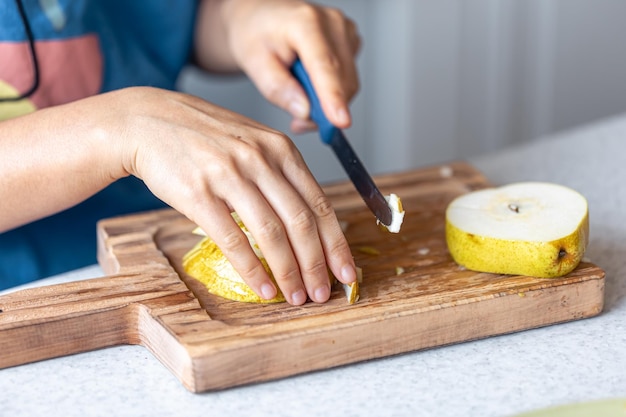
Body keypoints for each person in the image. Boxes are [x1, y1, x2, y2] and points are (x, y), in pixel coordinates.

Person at [0, 0, 361, 305]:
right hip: (23, 298)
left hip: (159, 255)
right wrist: (117, 127)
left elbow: (159, 18)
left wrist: (239, 15)